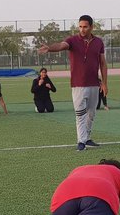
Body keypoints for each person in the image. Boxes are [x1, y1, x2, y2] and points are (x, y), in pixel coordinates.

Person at [37, 15, 107, 151]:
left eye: (85, 26)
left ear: (91, 27)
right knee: (80, 113)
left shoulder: (99, 42)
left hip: (94, 84)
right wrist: (50, 48)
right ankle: (81, 141)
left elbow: (103, 64)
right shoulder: (72, 40)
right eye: (80, 26)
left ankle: (87, 137)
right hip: (78, 85)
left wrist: (104, 83)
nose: (82, 29)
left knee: (91, 113)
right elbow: (61, 45)